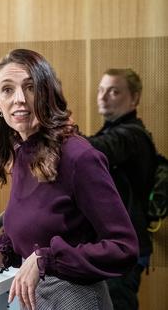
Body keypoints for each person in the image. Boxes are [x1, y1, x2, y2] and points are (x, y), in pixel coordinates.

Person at [0, 49, 139, 310]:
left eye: (31, 87)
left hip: (77, 300)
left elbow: (123, 248)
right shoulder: (23, 153)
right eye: (7, 90)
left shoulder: (79, 157)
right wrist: (3, 253)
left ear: (47, 94)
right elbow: (40, 228)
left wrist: (46, 259)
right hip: (39, 301)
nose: (20, 99)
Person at [87, 68, 157, 310]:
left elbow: (96, 150)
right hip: (112, 248)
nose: (103, 97)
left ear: (135, 98)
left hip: (123, 251)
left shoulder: (132, 137)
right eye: (101, 90)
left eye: (114, 91)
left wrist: (58, 129)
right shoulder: (113, 132)